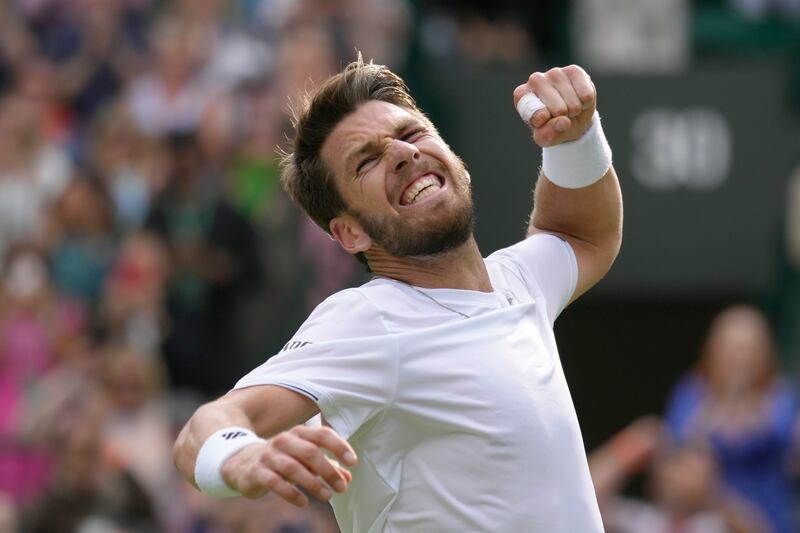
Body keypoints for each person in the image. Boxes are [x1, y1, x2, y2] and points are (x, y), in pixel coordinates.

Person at [173, 55, 622, 532]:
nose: (404, 154)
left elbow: (580, 235)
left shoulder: (517, 283)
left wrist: (576, 138)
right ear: (349, 234)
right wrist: (240, 456)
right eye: (367, 160)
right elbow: (204, 429)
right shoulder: (370, 318)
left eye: (411, 135)